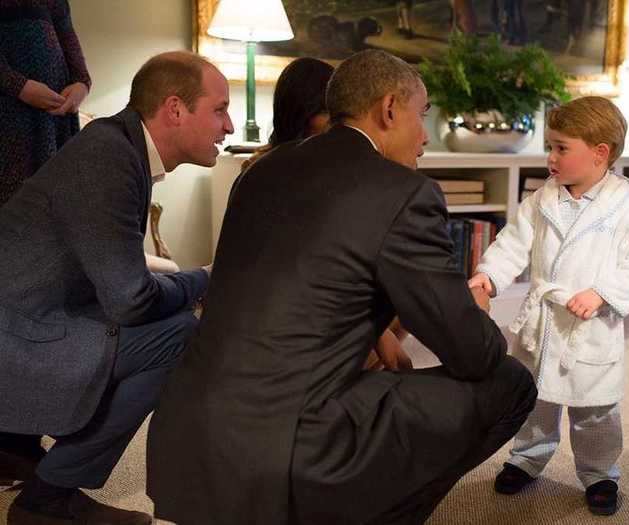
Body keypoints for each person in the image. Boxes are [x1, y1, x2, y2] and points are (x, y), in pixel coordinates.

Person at [147, 49, 537, 525]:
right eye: (423, 116)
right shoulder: (404, 194)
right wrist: (476, 311)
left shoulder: (260, 171)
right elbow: (472, 353)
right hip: (285, 453)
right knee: (511, 381)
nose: (424, 138)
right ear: (390, 109)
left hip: (185, 438)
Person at [0, 50, 233, 524]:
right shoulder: (109, 157)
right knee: (177, 335)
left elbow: (116, 276)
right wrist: (205, 279)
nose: (228, 126)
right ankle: (48, 500)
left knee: (169, 319)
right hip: (19, 332)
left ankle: (18, 448)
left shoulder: (117, 147)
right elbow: (131, 301)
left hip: (29, 314)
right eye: (219, 109)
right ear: (174, 109)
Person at [469, 96, 629, 516]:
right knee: (535, 398)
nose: (550, 157)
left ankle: (601, 473)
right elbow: (512, 243)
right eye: (549, 146)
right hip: (543, 321)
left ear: (600, 153)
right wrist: (489, 276)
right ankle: (526, 458)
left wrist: (603, 292)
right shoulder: (541, 201)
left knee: (595, 410)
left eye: (560, 148)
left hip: (590, 327)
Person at [243, 56, 411, 372]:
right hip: (286, 310)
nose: (340, 125)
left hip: (320, 297)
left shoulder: (338, 166)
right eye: (329, 114)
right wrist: (374, 331)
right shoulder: (273, 171)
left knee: (399, 295)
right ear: (303, 115)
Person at [0, 0, 90, 206]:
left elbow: (69, 42)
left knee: (57, 206)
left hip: (57, 119)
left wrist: (81, 85)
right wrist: (20, 87)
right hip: (10, 117)